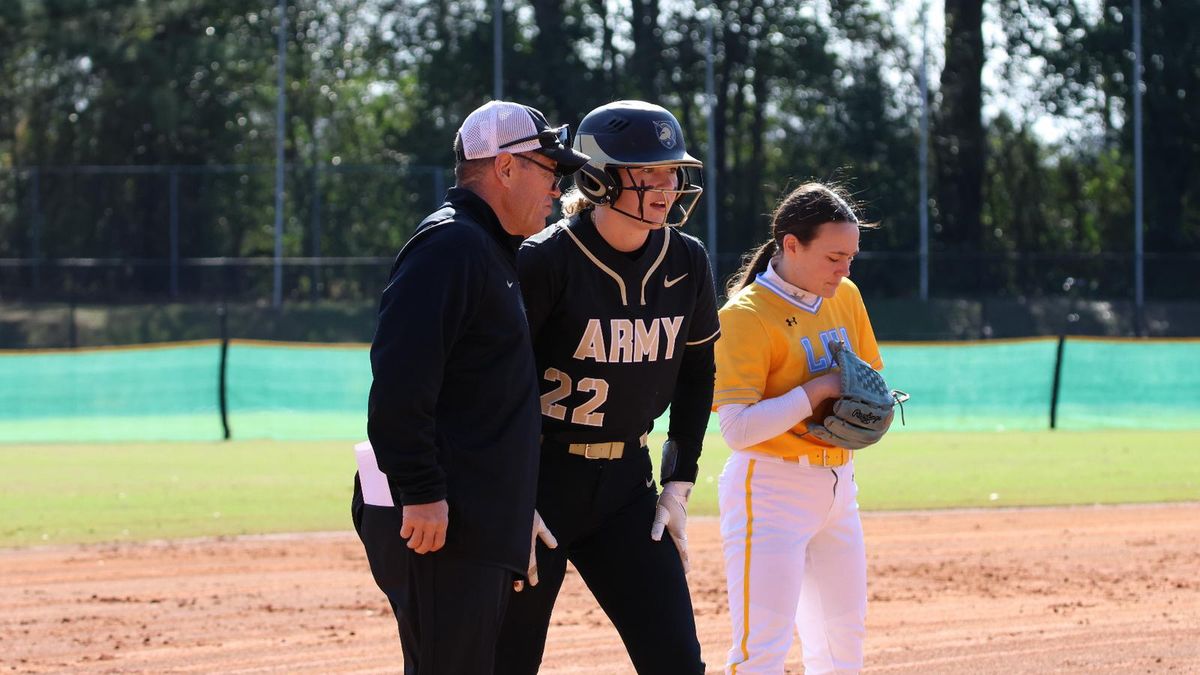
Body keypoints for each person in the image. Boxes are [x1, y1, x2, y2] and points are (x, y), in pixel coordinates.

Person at [350, 100, 588, 675]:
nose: (557, 189)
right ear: (505, 168)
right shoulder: (452, 247)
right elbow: (401, 379)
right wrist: (422, 489)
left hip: (469, 519)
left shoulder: (489, 250)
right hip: (440, 520)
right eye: (549, 171)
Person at [494, 100, 720, 675]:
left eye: (673, 170)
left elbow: (697, 376)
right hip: (542, 483)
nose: (669, 185)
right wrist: (508, 496)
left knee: (676, 660)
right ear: (596, 178)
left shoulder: (687, 261)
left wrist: (679, 482)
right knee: (508, 661)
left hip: (626, 487)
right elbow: (498, 385)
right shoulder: (545, 260)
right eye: (650, 172)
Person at [713, 182, 884, 674]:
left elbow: (870, 376)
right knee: (761, 651)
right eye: (834, 256)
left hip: (838, 488)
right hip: (769, 490)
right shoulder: (745, 316)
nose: (845, 269)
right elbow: (737, 429)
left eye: (850, 256)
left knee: (841, 644)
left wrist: (871, 404)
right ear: (791, 244)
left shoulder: (844, 295)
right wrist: (819, 390)